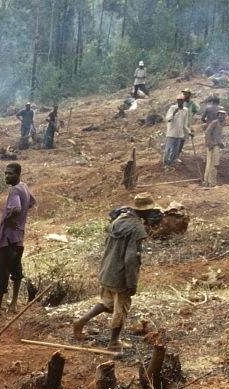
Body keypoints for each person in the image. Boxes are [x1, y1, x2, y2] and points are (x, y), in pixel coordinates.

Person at [71, 195, 155, 351]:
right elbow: (131, 259)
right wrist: (131, 282)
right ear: (145, 211)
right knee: (121, 308)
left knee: (107, 302)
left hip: (107, 270)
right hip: (120, 275)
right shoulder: (137, 228)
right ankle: (114, 342)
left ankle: (80, 322)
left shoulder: (118, 220)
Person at [0, 162, 36, 314]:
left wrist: (8, 220)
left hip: (8, 237)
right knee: (16, 269)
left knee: (1, 271)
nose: (7, 176)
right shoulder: (24, 187)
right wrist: (20, 220)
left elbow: (16, 208)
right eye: (6, 173)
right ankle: (13, 304)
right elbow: (32, 202)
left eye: (10, 173)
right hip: (19, 237)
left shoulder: (15, 190)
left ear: (18, 174)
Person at [163, 95, 189, 168]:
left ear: (183, 101)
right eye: (178, 100)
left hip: (179, 134)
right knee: (168, 149)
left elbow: (185, 124)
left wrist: (189, 132)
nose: (180, 102)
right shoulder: (172, 108)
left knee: (176, 150)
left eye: (181, 100)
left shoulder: (185, 110)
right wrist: (174, 114)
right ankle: (166, 164)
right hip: (171, 133)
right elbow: (167, 119)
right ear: (177, 101)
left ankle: (172, 163)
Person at [203, 108, 227, 187]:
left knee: (211, 164)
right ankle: (211, 182)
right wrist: (210, 144)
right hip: (213, 146)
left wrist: (221, 143)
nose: (221, 117)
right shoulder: (214, 123)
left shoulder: (221, 124)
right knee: (213, 164)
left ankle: (207, 182)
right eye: (220, 115)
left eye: (223, 115)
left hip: (216, 145)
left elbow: (217, 137)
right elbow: (207, 133)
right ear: (218, 116)